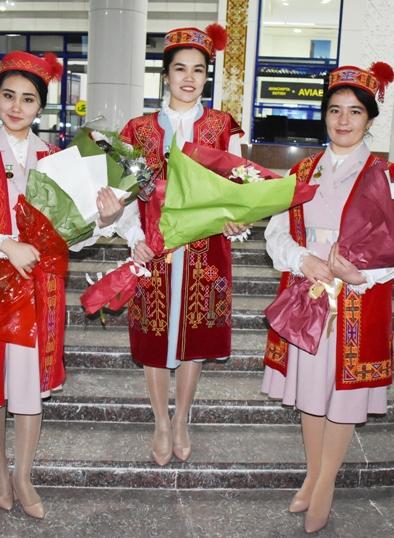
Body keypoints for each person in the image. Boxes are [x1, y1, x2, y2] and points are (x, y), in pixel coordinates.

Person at [0, 51, 125, 518]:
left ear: (40, 107)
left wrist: (106, 219)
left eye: (28, 99)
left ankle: (23, 475)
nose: (16, 106)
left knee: (28, 385)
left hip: (39, 286)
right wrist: (5, 244)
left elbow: (75, 233)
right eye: (8, 95)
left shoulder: (57, 159)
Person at [261, 62, 394, 534]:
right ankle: (312, 472)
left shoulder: (389, 175)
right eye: (335, 110)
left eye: (355, 112)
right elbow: (276, 231)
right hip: (308, 291)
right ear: (324, 115)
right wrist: (301, 259)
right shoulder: (301, 171)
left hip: (357, 296)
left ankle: (325, 483)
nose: (344, 120)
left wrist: (359, 274)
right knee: (311, 389)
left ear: (370, 119)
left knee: (343, 390)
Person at [116, 24, 247, 466]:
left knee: (196, 333)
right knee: (155, 334)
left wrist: (237, 220)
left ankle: (182, 418)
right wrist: (135, 238)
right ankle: (159, 421)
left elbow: (240, 188)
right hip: (153, 250)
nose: (189, 78)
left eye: (198, 70)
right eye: (179, 69)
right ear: (165, 75)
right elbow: (124, 194)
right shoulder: (137, 130)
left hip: (206, 251)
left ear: (207, 76)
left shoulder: (223, 127)